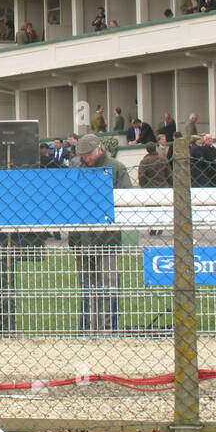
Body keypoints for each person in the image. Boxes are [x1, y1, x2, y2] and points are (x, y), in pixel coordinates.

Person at [68, 134, 132, 333]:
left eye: (87, 155)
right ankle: (88, 327)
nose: (85, 159)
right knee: (87, 285)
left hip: (107, 236)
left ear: (98, 150)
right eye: (82, 155)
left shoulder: (117, 168)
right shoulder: (76, 168)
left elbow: (125, 197)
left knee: (108, 284)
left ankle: (107, 328)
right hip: (81, 237)